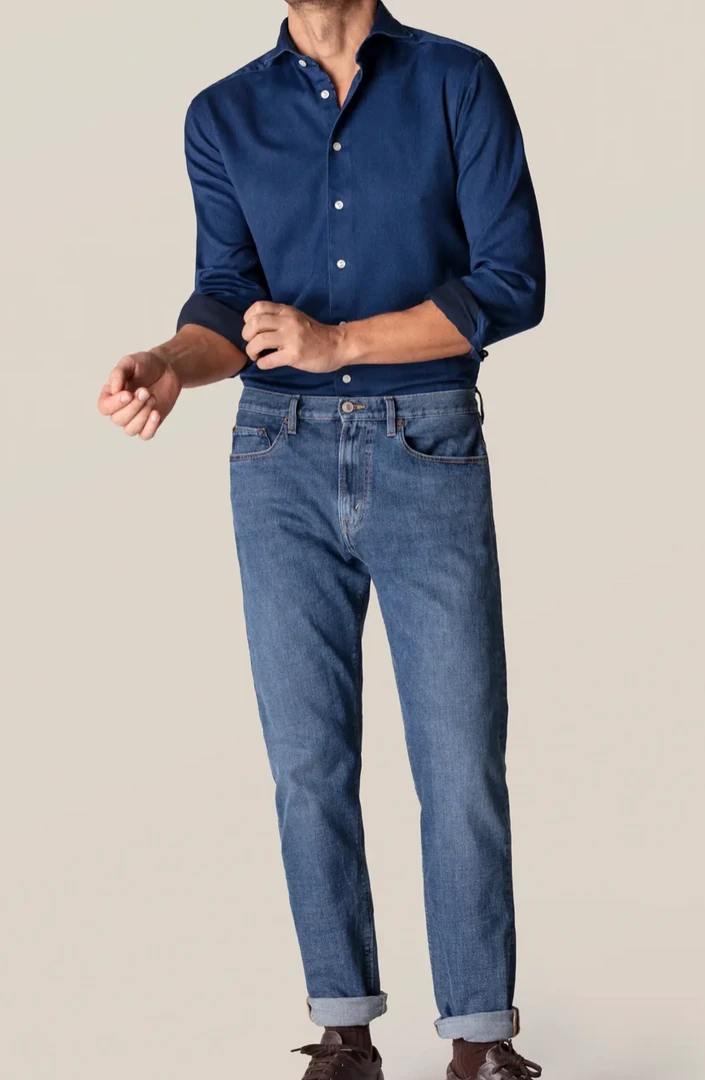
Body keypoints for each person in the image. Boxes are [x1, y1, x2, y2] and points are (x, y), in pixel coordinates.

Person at [97, 2, 546, 1076]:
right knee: (307, 760)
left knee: (459, 759)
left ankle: (480, 1045)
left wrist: (341, 340)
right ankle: (345, 1033)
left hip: (427, 439)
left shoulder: (456, 81)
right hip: (277, 453)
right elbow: (228, 300)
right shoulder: (222, 114)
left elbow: (512, 281)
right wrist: (170, 363)